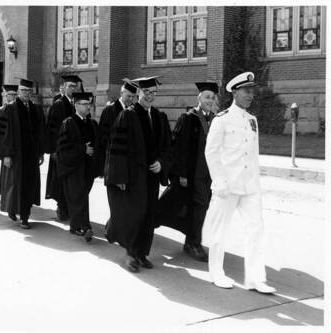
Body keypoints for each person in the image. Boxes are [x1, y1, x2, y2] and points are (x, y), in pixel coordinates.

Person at [202, 72, 276, 293]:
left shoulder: (252, 120)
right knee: (220, 231)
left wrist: (256, 183)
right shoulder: (221, 119)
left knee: (256, 229)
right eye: (246, 91)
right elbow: (211, 153)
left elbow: (252, 155)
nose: (250, 95)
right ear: (234, 92)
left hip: (249, 186)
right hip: (227, 185)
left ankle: (254, 278)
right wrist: (220, 181)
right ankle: (216, 273)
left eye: (252, 91)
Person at [104, 76, 172, 272]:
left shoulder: (160, 117)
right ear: (138, 94)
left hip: (150, 178)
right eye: (146, 92)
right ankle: (130, 254)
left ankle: (142, 253)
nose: (150, 96)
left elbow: (168, 146)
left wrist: (161, 163)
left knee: (148, 215)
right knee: (134, 214)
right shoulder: (128, 115)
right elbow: (116, 149)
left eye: (153, 93)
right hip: (133, 178)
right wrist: (120, 178)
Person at [156, 82, 219, 262]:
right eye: (206, 97)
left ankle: (192, 241)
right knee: (171, 207)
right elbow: (178, 148)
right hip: (191, 174)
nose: (210, 100)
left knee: (200, 208)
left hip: (207, 175)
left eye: (212, 97)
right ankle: (193, 243)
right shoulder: (188, 118)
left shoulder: (215, 119)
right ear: (198, 98)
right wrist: (181, 173)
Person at [0, 78, 45, 229]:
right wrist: (6, 154)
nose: (26, 93)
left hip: (31, 156)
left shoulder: (36, 109)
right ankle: (15, 210)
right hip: (16, 156)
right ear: (18, 92)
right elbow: (2, 134)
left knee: (29, 185)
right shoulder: (9, 109)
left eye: (29, 91)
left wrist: (40, 153)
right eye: (23, 91)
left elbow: (40, 133)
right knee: (15, 185)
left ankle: (25, 215)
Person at [56, 92, 101, 242]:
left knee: (82, 196)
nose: (88, 107)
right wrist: (83, 149)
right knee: (77, 197)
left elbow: (98, 145)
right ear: (76, 105)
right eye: (84, 104)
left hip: (88, 169)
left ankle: (78, 225)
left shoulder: (93, 123)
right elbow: (63, 148)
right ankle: (82, 226)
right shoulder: (68, 123)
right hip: (73, 168)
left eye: (89, 104)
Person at [44, 75, 82, 221]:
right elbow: (52, 129)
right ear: (64, 87)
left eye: (75, 86)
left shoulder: (79, 103)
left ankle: (69, 207)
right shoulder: (58, 105)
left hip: (74, 151)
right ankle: (61, 207)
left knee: (72, 181)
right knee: (59, 180)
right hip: (60, 150)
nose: (73, 89)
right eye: (70, 86)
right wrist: (53, 150)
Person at [98, 78, 138, 175]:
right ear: (121, 93)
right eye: (128, 96)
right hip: (114, 158)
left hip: (130, 159)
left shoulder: (134, 111)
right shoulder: (109, 110)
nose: (131, 99)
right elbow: (103, 136)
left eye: (133, 97)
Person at [0, 85, 18, 193]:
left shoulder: (19, 111)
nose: (13, 97)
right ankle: (3, 189)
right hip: (5, 148)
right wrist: (1, 151)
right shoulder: (0, 112)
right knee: (6, 169)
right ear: (5, 96)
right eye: (10, 94)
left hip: (16, 147)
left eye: (15, 94)